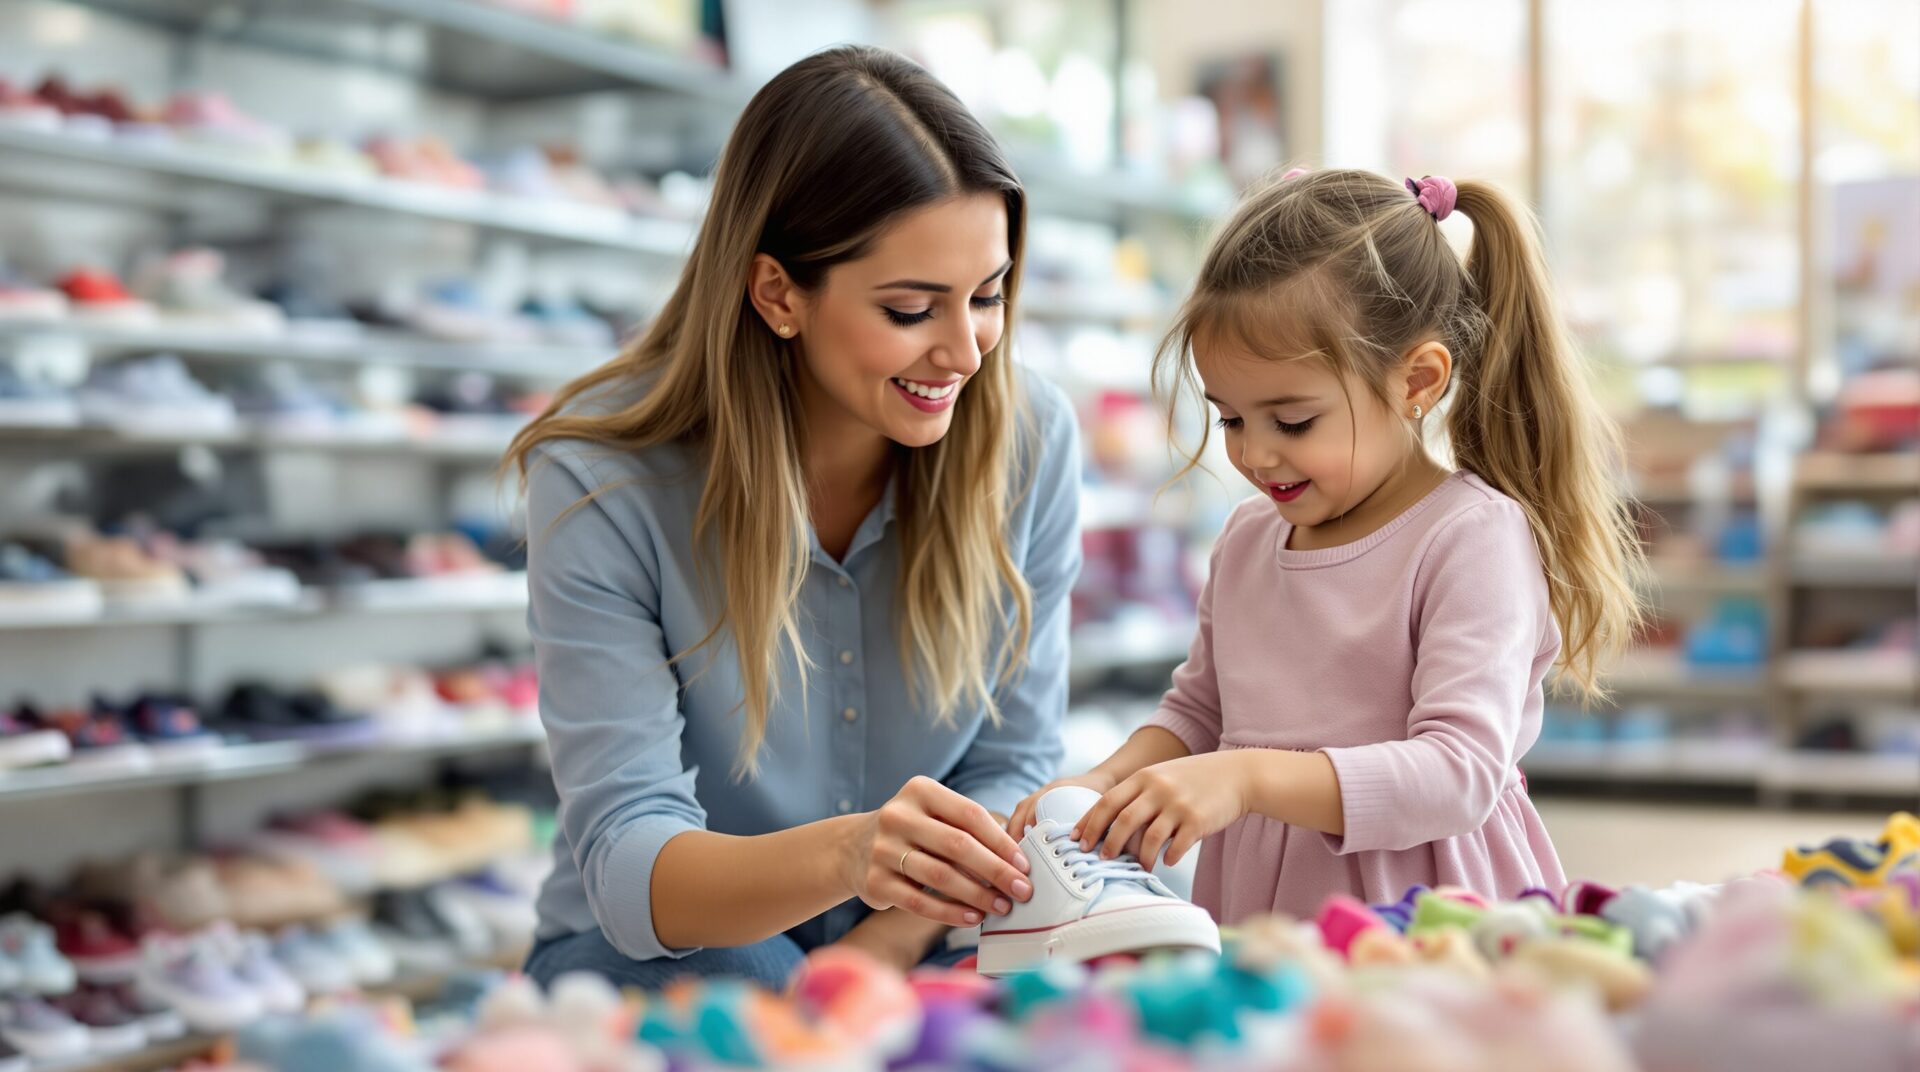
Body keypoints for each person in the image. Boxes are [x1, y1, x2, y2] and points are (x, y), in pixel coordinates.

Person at [506, 45, 1082, 989]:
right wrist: (853, 856)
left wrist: (878, 954)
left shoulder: (1031, 439)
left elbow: (1013, 763)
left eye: (987, 297)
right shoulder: (602, 479)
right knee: (751, 978)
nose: (967, 353)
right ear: (777, 292)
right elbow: (629, 857)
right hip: (667, 948)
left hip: (920, 935)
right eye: (911, 310)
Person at [1012, 167, 1647, 922]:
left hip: (1430, 918)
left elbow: (1459, 774)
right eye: (1231, 419)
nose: (1255, 454)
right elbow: (1199, 710)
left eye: (1293, 421)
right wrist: (1104, 781)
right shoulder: (1248, 539)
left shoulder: (1471, 539)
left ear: (1417, 381)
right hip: (1266, 913)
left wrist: (1245, 780)